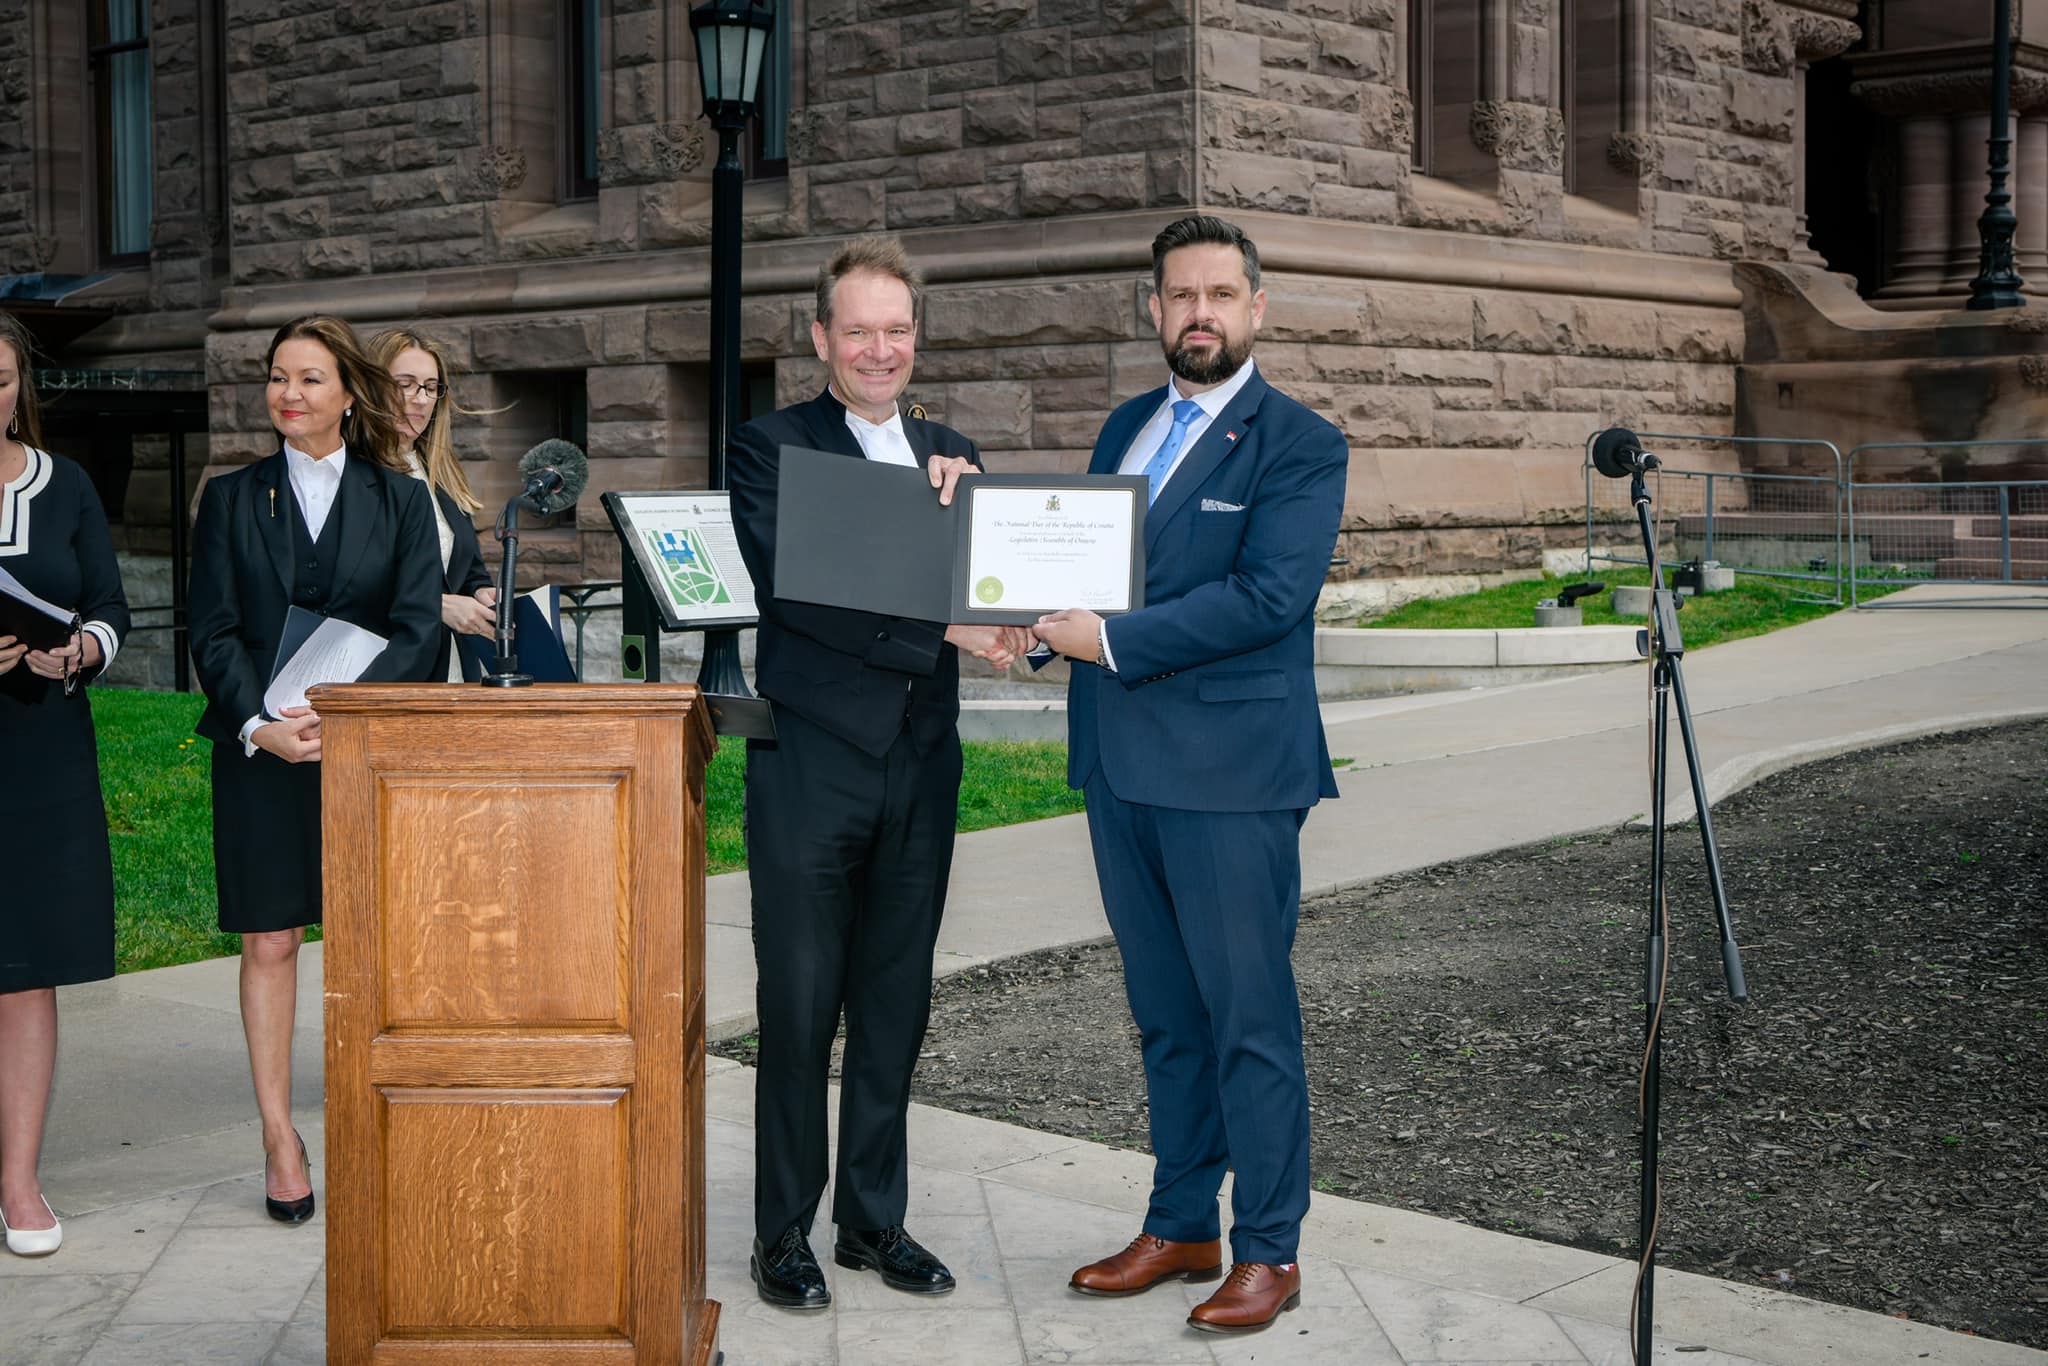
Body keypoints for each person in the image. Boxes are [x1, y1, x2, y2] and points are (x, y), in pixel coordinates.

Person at [1031, 215, 1349, 1334]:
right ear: (1152, 308)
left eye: (1220, 293)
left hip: (1231, 774)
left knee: (1246, 1018)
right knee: (1164, 1015)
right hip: (1120, 768)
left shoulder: (1299, 444)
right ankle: (1180, 1222)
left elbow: (1269, 598)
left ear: (1256, 309)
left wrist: (1104, 642)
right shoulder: (1125, 425)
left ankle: (1269, 1246)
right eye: (1179, 295)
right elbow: (1083, 570)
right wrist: (1030, 629)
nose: (1198, 312)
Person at [725, 234, 1030, 1310]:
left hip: (922, 767)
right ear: (820, 338)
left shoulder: (954, 453)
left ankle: (871, 1222)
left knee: (894, 1002)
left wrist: (1014, 628)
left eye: (895, 329)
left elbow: (999, 591)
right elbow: (804, 588)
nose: (878, 348)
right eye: (857, 329)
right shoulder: (770, 449)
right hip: (809, 765)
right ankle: (781, 1233)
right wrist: (946, 622)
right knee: (801, 1005)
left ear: (915, 338)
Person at [187, 314, 441, 1224]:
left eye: (309, 379)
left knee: (370, 948)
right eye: (277, 378)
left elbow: (418, 630)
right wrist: (259, 723)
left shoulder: (402, 501)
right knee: (272, 940)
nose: (288, 395)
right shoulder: (230, 498)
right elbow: (209, 630)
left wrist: (346, 715)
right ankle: (278, 1135)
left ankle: (377, 1125)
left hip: (362, 754)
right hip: (262, 753)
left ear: (347, 395)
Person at [0, 313, 130, 1257]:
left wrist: (82, 648)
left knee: (26, 965)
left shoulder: (66, 483)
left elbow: (110, 603)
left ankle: (19, 1180)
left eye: (1, 377)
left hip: (40, 748)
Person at [366, 328, 498, 681]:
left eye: (429, 386)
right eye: (404, 384)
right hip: (381, 668)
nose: (420, 399)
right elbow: (344, 587)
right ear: (371, 387)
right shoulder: (349, 476)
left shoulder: (440, 473)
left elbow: (466, 569)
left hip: (451, 666)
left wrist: (480, 592)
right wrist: (436, 605)